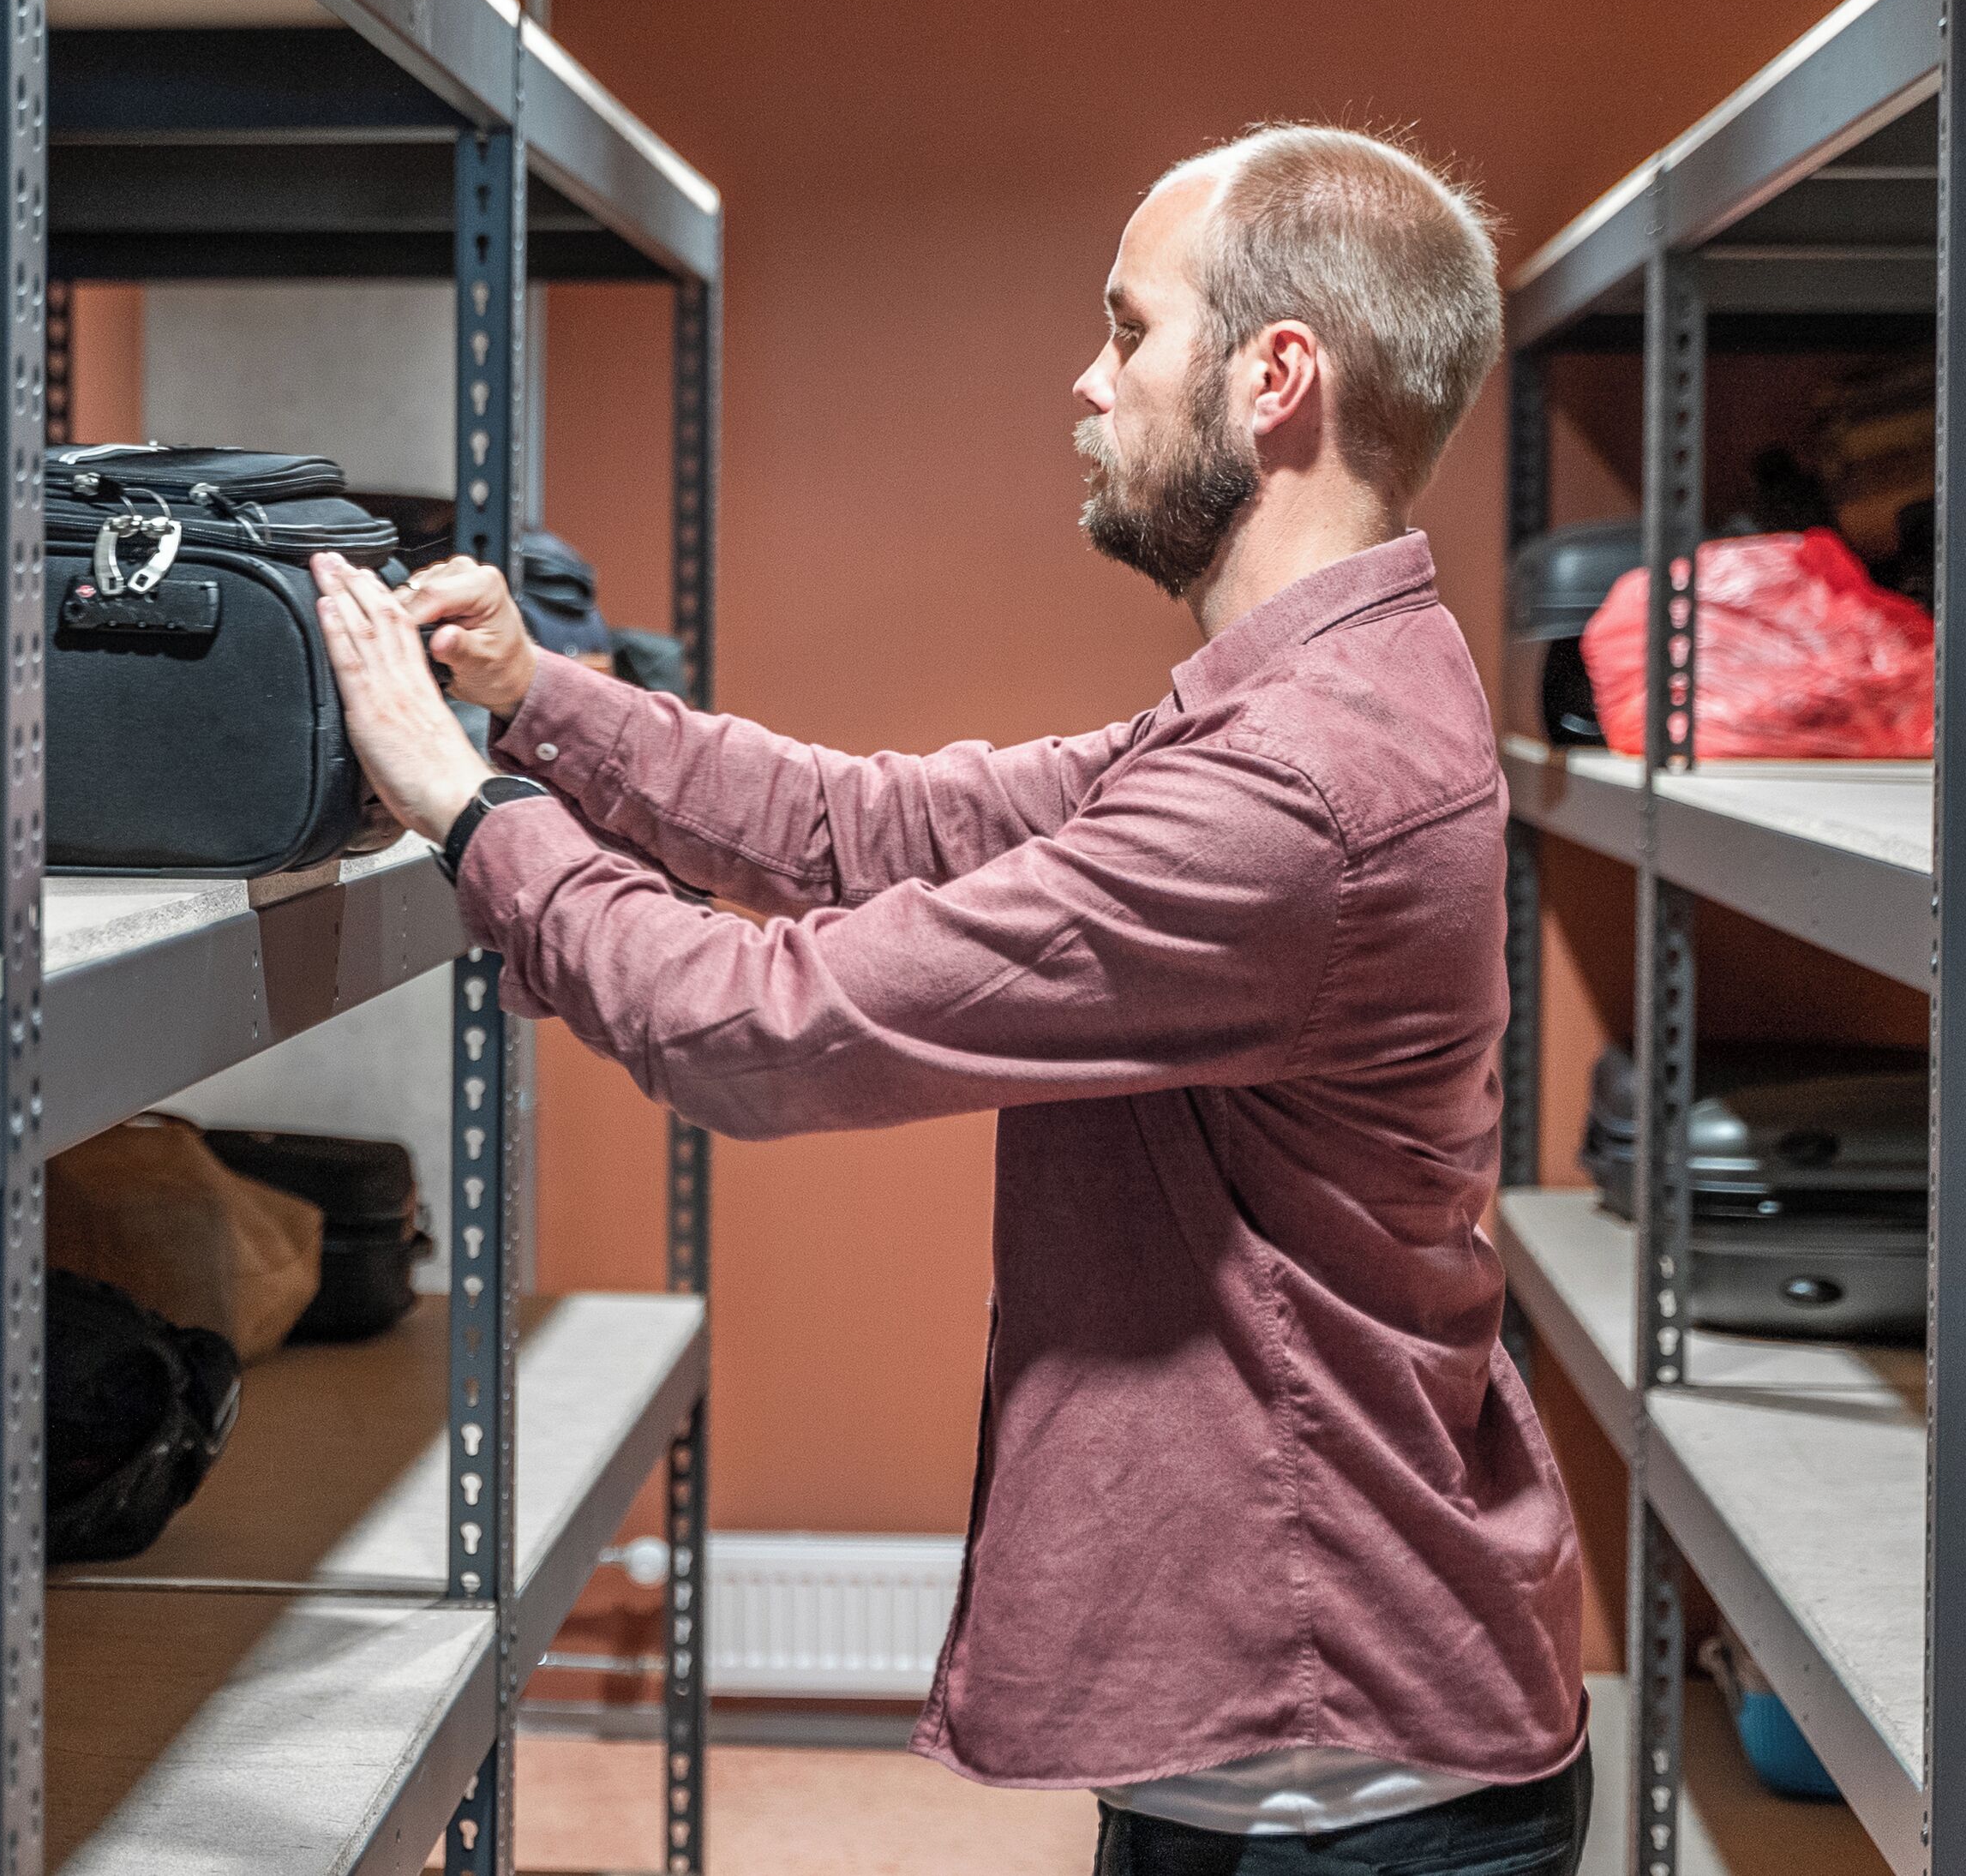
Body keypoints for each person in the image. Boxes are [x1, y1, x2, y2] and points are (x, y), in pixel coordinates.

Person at [307, 124, 1590, 1875]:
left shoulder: (1290, 792)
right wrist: (545, 703)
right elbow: (875, 828)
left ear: (1275, 377)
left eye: (1131, 331)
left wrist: (466, 810)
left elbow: (762, 1030)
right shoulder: (1308, 701)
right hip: (1297, 1749)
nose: (1091, 378)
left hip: (1336, 1777)